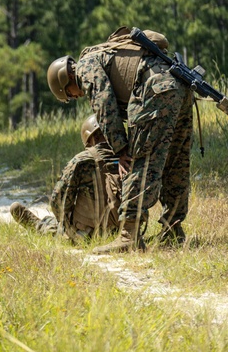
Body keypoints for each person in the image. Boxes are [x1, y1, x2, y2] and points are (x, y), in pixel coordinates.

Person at [46, 27, 193, 253]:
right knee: (176, 162)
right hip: (179, 85)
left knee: (141, 162)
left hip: (154, 90)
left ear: (66, 81)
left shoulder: (86, 66)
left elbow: (103, 102)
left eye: (71, 94)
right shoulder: (108, 54)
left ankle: (129, 236)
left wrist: (120, 149)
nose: (77, 96)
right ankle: (173, 229)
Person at [10, 114, 122, 241]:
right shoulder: (129, 158)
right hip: (125, 231)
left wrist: (67, 225)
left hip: (88, 234)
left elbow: (58, 201)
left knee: (54, 226)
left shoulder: (82, 160)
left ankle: (39, 226)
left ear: (89, 137)